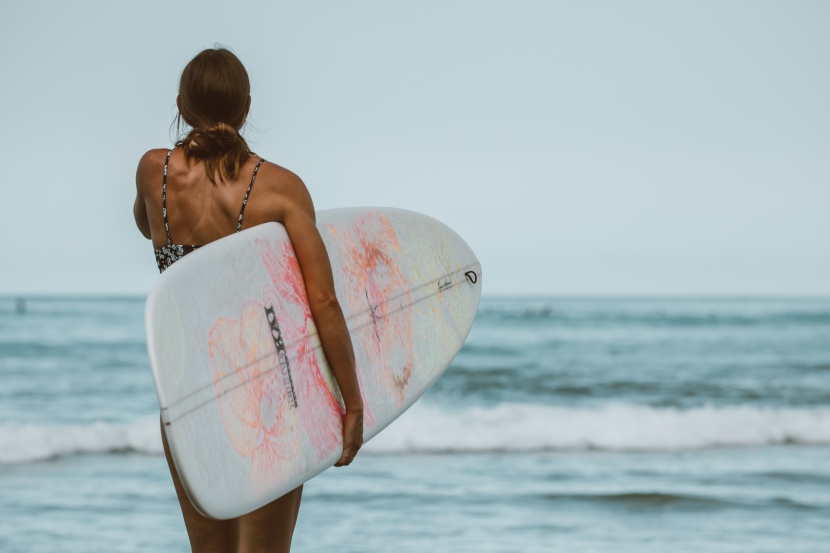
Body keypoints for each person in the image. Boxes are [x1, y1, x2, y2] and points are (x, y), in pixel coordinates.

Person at [133, 47, 364, 553]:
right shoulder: (279, 187)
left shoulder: (154, 172)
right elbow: (322, 301)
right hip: (267, 395)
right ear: (247, 106)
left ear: (180, 103)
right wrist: (352, 401)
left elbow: (144, 223)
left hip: (186, 393)